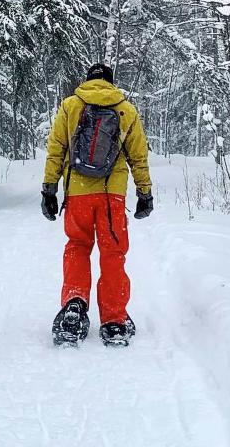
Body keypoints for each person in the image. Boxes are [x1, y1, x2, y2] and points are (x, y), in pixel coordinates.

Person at [40, 62, 153, 347]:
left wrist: (49, 189)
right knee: (112, 254)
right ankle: (114, 320)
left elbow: (56, 150)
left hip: (77, 193)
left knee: (77, 246)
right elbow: (138, 156)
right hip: (110, 195)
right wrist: (144, 192)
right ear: (110, 82)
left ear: (87, 80)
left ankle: (74, 304)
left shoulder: (70, 105)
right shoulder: (126, 109)